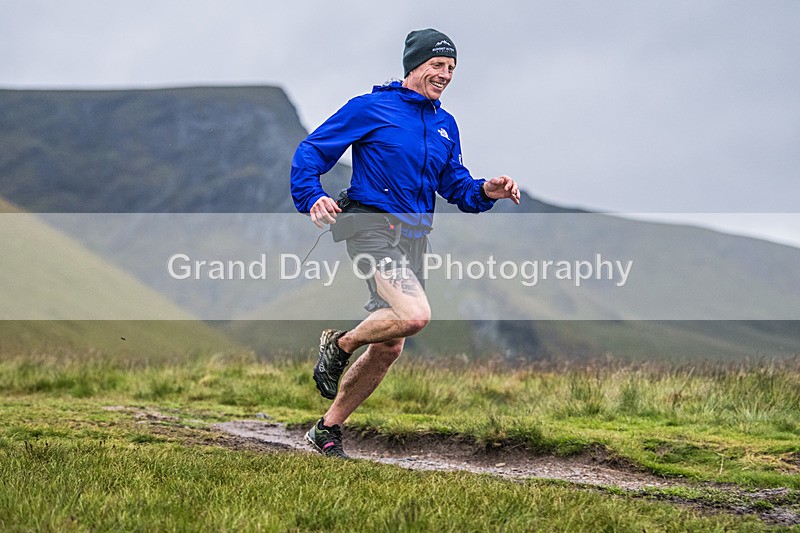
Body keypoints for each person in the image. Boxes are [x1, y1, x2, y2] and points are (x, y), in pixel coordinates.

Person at [290, 28, 520, 458]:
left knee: (390, 345)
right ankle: (340, 345)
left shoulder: (445, 125)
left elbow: (455, 185)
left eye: (451, 67)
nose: (445, 74)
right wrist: (312, 195)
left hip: (414, 237)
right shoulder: (371, 108)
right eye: (437, 65)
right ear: (414, 65)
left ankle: (327, 428)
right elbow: (311, 150)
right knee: (414, 315)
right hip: (370, 227)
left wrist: (486, 190)